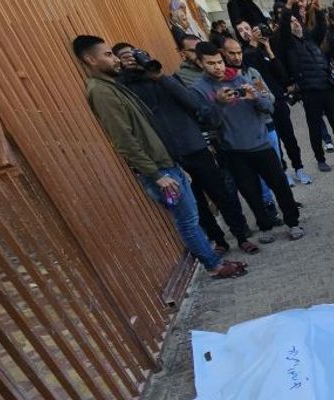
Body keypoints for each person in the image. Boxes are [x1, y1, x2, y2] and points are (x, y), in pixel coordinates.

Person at [73, 35, 246, 279]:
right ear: (90, 60)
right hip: (159, 170)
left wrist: (155, 74)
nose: (116, 60)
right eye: (110, 55)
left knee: (196, 212)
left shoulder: (115, 85)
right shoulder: (104, 91)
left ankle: (220, 256)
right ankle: (214, 265)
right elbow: (124, 140)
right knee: (188, 220)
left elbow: (189, 104)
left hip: (172, 159)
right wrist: (156, 175)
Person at [114, 43, 260, 256]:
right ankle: (218, 239)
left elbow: (192, 102)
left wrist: (160, 77)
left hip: (194, 146)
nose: (134, 60)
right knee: (195, 201)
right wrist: (125, 75)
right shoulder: (124, 89)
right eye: (126, 57)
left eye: (137, 55)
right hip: (167, 155)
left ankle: (241, 235)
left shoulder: (165, 79)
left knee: (221, 192)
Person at [190, 42, 305, 244]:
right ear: (200, 63)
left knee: (280, 185)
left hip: (261, 143)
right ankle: (265, 226)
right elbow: (209, 123)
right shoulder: (198, 89)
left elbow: (269, 107)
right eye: (211, 63)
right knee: (250, 192)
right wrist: (219, 103)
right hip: (233, 150)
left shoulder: (239, 77)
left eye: (219, 62)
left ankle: (293, 222)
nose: (218, 67)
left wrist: (255, 98)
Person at [236, 20, 312, 185]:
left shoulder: (265, 48)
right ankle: (283, 171)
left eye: (248, 28)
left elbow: (281, 74)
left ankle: (299, 167)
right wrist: (254, 44)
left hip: (278, 99)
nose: (246, 32)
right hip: (262, 103)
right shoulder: (244, 54)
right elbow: (253, 69)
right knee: (274, 140)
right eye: (241, 30)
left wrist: (269, 50)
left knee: (289, 137)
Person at [280, 8, 334, 172]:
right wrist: (289, 8)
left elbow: (321, 26)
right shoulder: (289, 44)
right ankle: (320, 159)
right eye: (291, 22)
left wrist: (315, 7)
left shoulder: (310, 39)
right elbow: (284, 28)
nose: (295, 24)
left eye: (296, 21)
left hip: (327, 87)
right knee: (314, 128)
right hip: (309, 92)